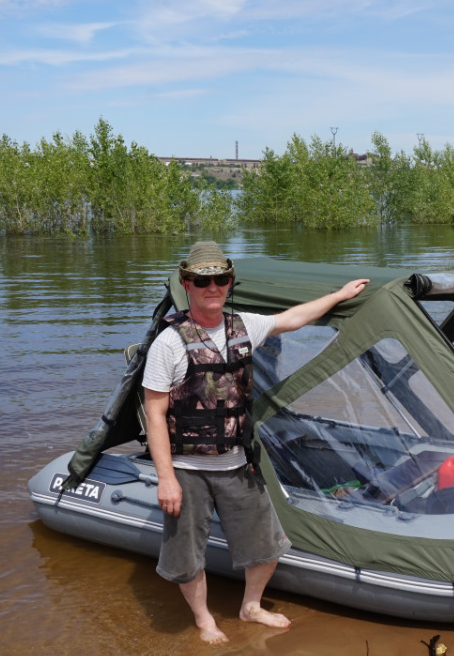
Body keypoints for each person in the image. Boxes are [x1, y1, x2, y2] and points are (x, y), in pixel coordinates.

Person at [142, 241, 368, 645]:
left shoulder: (244, 327)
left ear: (230, 282)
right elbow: (155, 413)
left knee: (267, 546)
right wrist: (166, 478)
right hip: (187, 469)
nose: (212, 287)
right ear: (187, 284)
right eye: (202, 280)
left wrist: (338, 296)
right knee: (186, 557)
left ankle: (250, 606)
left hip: (236, 463)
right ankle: (204, 620)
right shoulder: (169, 343)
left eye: (221, 279)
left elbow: (292, 320)